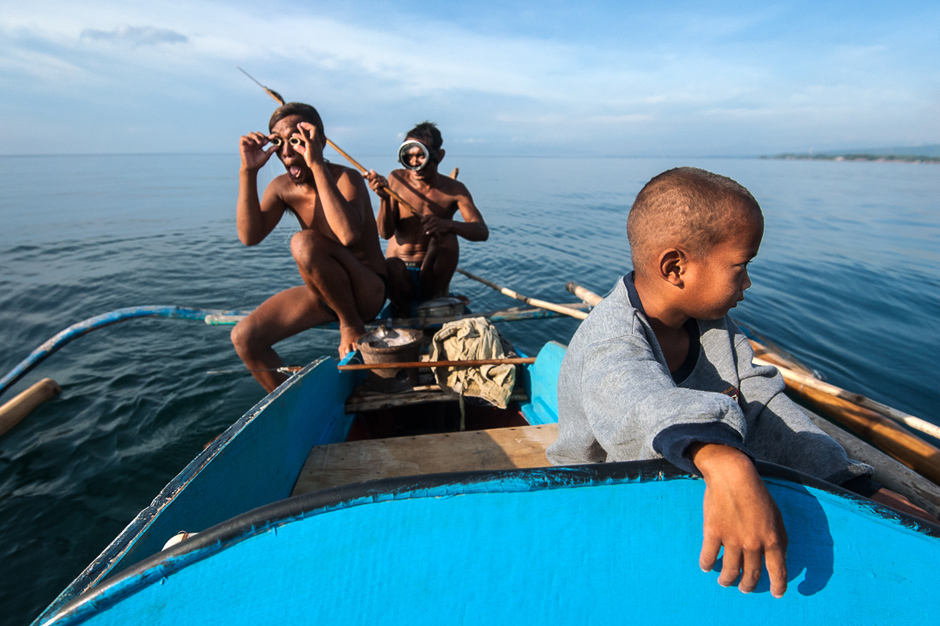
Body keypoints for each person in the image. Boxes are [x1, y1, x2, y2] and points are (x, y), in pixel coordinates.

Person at [546, 167, 926, 598]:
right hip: (600, 496)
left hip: (685, 468)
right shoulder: (610, 340)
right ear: (675, 267)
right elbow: (638, 401)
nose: (748, 282)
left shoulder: (712, 324)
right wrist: (724, 461)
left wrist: (849, 481)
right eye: (741, 267)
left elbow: (758, 395)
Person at [232, 102, 388, 392]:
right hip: (327, 291)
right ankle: (294, 401)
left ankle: (351, 324)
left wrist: (316, 164)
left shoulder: (346, 178)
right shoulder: (282, 187)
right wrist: (248, 171)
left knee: (303, 242)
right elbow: (249, 236)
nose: (288, 152)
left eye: (297, 141)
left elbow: (348, 236)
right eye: (279, 142)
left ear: (319, 143)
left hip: (367, 291)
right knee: (245, 338)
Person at [364, 122, 488, 312]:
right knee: (392, 266)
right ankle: (405, 311)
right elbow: (384, 232)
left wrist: (447, 224)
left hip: (432, 275)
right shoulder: (396, 179)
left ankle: (437, 299)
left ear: (439, 155)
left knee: (448, 236)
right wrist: (384, 198)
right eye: (409, 156)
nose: (414, 163)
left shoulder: (455, 190)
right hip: (400, 274)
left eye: (421, 155)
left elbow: (482, 232)